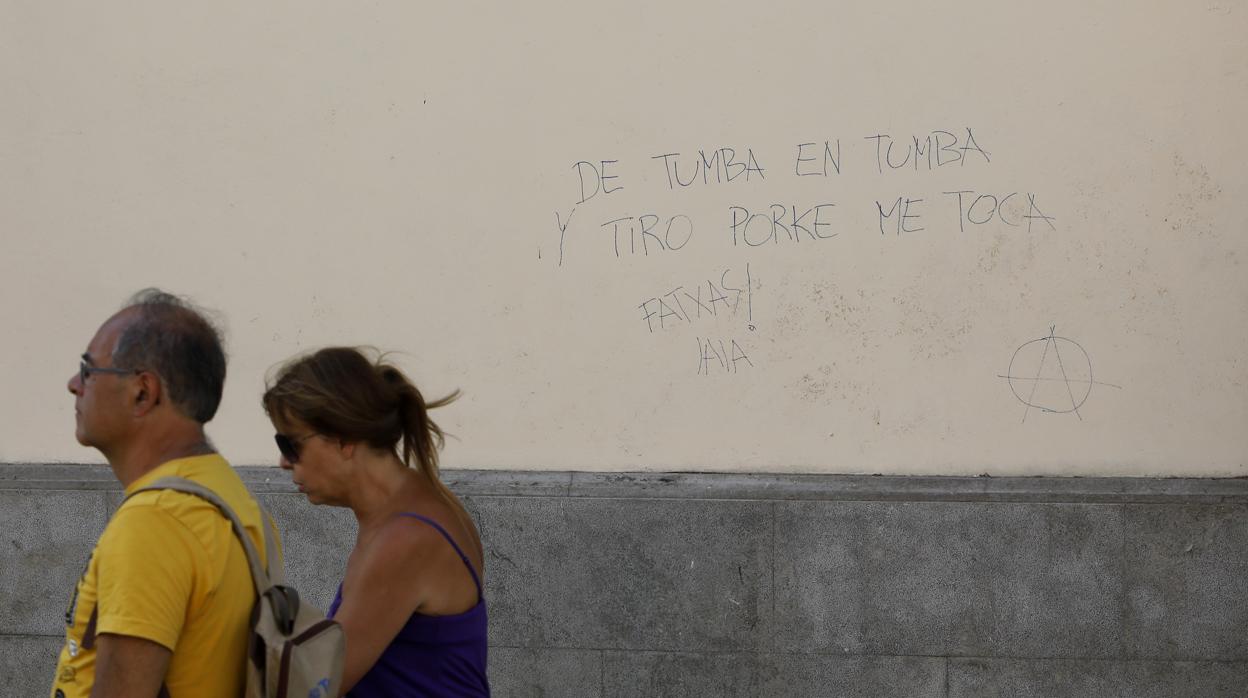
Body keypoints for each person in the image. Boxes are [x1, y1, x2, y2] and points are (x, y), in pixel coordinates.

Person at [52, 289, 278, 698]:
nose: (73, 385)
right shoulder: (227, 493)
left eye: (88, 369)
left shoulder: (156, 521)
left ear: (143, 392)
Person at [262, 347, 488, 696]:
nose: (283, 461)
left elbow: (319, 685)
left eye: (291, 444)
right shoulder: (415, 506)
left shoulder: (407, 537)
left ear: (344, 439)